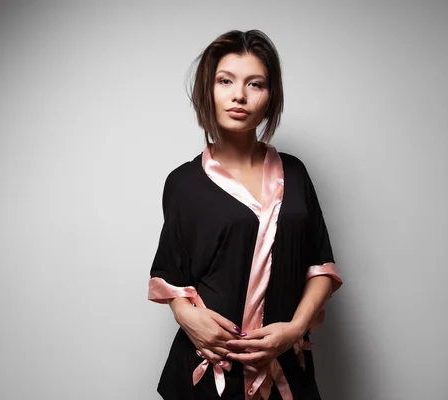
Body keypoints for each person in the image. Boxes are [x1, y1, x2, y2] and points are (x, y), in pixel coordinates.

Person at [147, 30, 343, 400]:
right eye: (225, 81)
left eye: (256, 84)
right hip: (208, 369)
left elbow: (321, 267)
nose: (239, 95)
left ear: (270, 98)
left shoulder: (295, 172)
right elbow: (172, 277)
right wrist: (186, 317)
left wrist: (295, 329)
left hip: (286, 366)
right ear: (208, 90)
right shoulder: (183, 182)